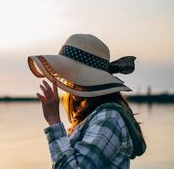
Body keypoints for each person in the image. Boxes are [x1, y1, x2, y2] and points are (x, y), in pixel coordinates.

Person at [27, 34, 146, 168]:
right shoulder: (95, 115)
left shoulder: (108, 118)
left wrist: (53, 120)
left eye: (73, 74)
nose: (70, 81)